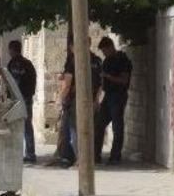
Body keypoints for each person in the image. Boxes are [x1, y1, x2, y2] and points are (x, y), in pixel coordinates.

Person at [57, 35, 102, 167]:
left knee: (74, 130)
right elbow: (101, 84)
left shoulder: (73, 61)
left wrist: (60, 99)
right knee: (88, 130)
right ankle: (84, 158)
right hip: (91, 99)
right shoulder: (97, 60)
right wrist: (96, 100)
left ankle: (80, 160)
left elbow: (67, 84)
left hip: (76, 99)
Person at [94, 37, 133, 165]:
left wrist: (108, 76)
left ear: (111, 47)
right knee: (99, 124)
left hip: (118, 95)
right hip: (108, 96)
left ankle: (115, 156)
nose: (104, 53)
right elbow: (102, 83)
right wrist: (98, 99)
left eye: (105, 50)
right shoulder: (107, 61)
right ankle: (95, 155)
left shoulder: (123, 60)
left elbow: (124, 80)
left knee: (117, 126)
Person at [7, 41, 38, 163]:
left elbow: (12, 83)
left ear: (12, 50)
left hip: (18, 99)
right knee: (27, 125)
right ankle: (30, 153)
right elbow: (33, 80)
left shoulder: (13, 64)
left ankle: (18, 152)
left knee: (15, 125)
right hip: (27, 98)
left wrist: (10, 96)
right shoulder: (28, 64)